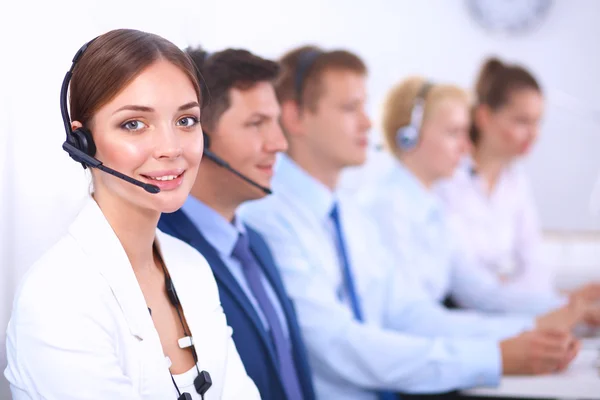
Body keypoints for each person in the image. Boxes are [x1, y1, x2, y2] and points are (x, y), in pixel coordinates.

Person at [239, 45, 581, 399]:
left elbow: (409, 312)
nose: (368, 122)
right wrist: (492, 356)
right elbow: (338, 345)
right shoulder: (268, 218)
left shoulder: (349, 214)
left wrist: (522, 334)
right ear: (295, 118)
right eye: (349, 108)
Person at [4, 29, 259, 400]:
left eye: (185, 120)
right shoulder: (58, 297)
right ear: (83, 143)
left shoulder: (192, 268)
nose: (171, 148)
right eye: (134, 124)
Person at [358, 76, 600, 322]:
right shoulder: (387, 208)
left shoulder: (430, 208)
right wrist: (515, 338)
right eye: (454, 133)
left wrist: (568, 308)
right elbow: (411, 319)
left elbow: (483, 293)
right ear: (408, 136)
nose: (466, 147)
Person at [159, 46, 316, 400]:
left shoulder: (255, 245)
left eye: (275, 122)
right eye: (257, 124)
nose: (279, 143)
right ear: (201, 137)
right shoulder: (163, 254)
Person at [436, 57, 600, 309]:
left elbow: (535, 265)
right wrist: (552, 302)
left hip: (505, 309)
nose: (534, 134)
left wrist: (554, 302)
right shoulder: (447, 177)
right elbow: (463, 281)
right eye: (522, 121)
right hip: (459, 311)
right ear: (484, 116)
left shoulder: (516, 180)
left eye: (538, 122)